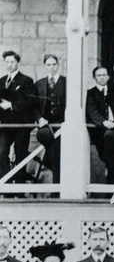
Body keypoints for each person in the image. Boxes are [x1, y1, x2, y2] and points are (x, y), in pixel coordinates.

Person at [86, 66, 114, 185]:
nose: (102, 78)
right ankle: (111, 186)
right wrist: (104, 122)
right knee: (109, 159)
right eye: (99, 75)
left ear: (108, 77)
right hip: (100, 132)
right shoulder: (90, 93)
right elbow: (92, 112)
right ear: (94, 78)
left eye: (104, 75)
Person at [0, 50, 35, 185]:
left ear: (18, 63)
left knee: (21, 155)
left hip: (21, 125)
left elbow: (29, 102)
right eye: (7, 62)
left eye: (12, 62)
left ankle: (19, 189)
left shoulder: (26, 81)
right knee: (1, 152)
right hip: (5, 126)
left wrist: (12, 105)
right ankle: (7, 185)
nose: (9, 64)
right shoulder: (1, 81)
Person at [33, 54, 66, 182]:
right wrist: (40, 119)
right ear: (45, 66)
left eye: (54, 64)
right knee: (53, 147)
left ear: (58, 65)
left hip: (62, 125)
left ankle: (56, 187)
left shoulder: (66, 82)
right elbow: (34, 106)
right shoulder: (39, 84)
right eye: (49, 65)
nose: (52, 67)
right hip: (45, 125)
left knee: (56, 150)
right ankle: (56, 185)